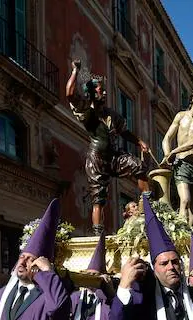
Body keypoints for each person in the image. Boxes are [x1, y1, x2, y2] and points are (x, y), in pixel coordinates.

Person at [66, 62, 150, 235]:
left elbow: (124, 132)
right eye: (99, 90)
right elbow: (69, 93)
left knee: (139, 166)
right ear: (91, 92)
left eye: (104, 90)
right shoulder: (86, 112)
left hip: (114, 156)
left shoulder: (112, 114)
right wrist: (75, 71)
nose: (104, 92)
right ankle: (98, 237)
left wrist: (139, 141)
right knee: (99, 198)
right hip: (97, 158)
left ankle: (149, 207)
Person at [161, 83, 193, 225]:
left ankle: (190, 239)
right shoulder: (180, 116)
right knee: (185, 200)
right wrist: (167, 154)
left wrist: (173, 151)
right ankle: (181, 237)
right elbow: (167, 138)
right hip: (182, 164)